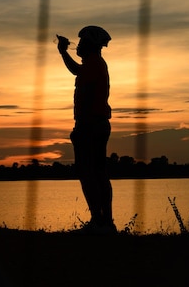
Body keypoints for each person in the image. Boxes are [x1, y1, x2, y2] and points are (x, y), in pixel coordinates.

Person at [57, 25, 116, 234]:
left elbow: (82, 81)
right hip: (97, 124)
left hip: (90, 125)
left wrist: (82, 127)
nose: (78, 46)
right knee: (98, 172)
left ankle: (99, 222)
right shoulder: (94, 64)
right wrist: (63, 53)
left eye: (82, 42)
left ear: (91, 45)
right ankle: (104, 222)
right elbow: (76, 71)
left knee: (89, 172)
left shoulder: (94, 65)